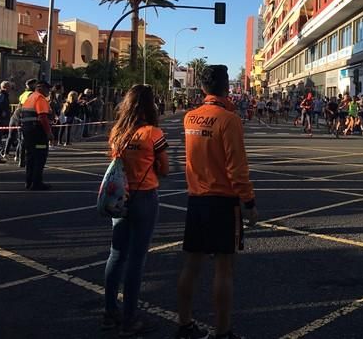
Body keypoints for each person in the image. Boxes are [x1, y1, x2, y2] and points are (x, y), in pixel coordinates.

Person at [176, 65, 257, 339]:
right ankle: (222, 331)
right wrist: (249, 201)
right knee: (224, 268)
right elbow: (237, 168)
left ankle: (184, 324)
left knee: (191, 265)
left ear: (202, 88)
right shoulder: (228, 120)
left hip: (196, 199)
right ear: (226, 88)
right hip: (223, 201)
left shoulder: (190, 119)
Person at [103, 84, 169, 336]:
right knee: (137, 259)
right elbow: (164, 168)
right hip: (144, 196)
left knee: (116, 254)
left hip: (120, 196)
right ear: (150, 105)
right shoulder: (153, 133)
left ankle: (109, 312)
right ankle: (130, 318)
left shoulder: (117, 132)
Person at [20, 81, 54, 190]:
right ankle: (37, 183)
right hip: (38, 132)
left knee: (30, 157)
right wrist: (49, 133)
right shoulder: (40, 98)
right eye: (47, 89)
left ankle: (29, 181)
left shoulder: (30, 98)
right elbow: (42, 117)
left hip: (28, 131)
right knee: (40, 156)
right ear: (41, 88)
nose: (48, 91)